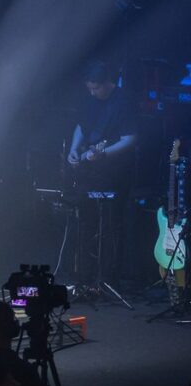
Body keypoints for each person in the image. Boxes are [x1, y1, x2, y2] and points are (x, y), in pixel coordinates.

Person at [66, 60, 138, 285]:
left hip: (115, 173)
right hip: (90, 171)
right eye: (89, 88)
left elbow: (131, 139)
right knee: (86, 221)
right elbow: (81, 126)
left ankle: (107, 278)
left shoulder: (124, 102)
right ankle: (84, 276)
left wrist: (104, 154)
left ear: (108, 83)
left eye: (95, 88)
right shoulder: (91, 101)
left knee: (110, 224)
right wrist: (73, 150)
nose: (92, 92)